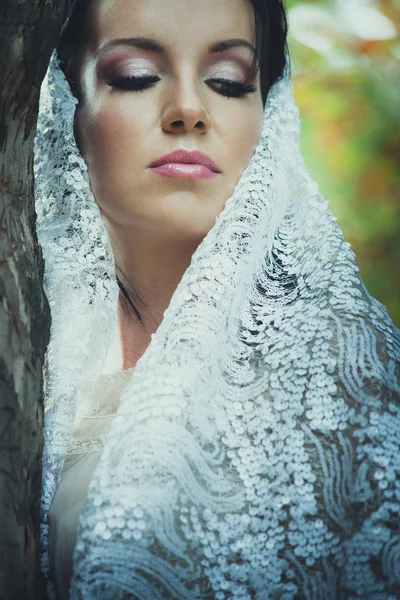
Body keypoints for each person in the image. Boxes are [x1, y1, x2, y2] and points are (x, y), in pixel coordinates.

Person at [34, 0, 400, 599]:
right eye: (136, 76)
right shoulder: (27, 347)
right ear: (64, 103)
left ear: (269, 111)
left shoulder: (346, 372)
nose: (188, 109)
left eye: (228, 82)